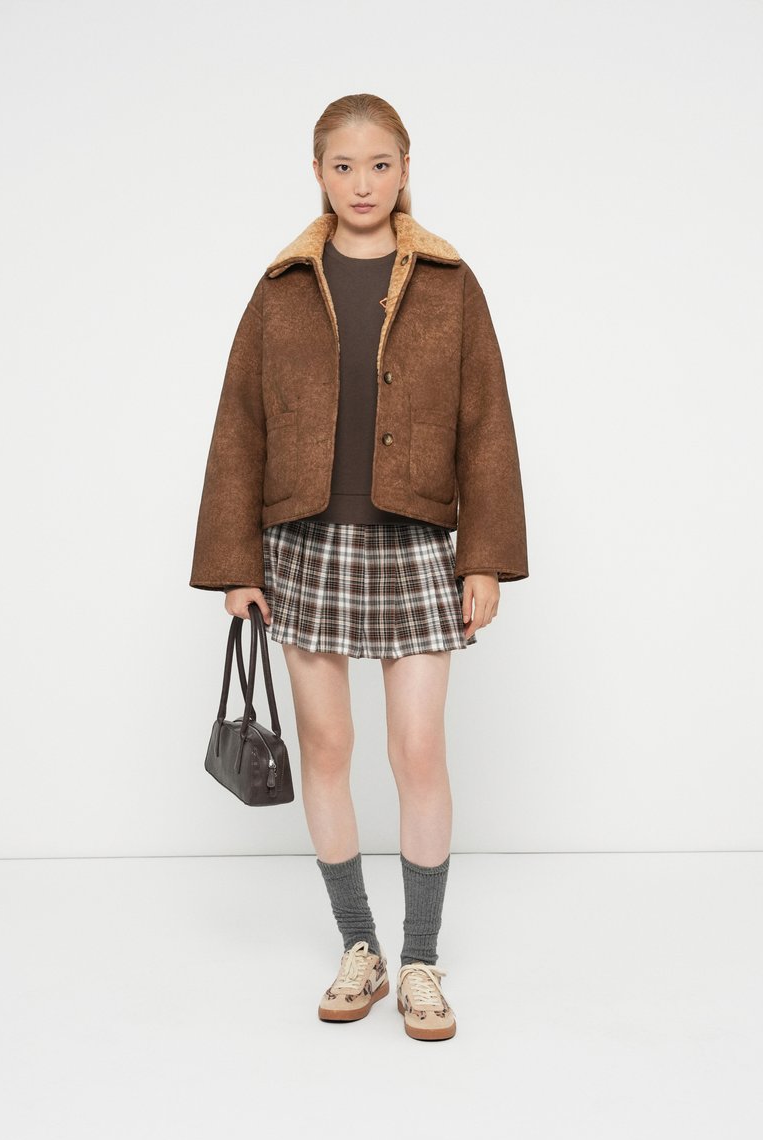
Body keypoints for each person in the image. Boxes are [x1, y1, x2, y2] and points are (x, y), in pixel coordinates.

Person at [189, 93, 529, 1041]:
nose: (363, 183)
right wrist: (236, 562)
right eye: (343, 166)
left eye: (380, 164)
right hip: (302, 544)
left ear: (406, 166)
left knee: (417, 750)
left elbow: (486, 423)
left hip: (418, 543)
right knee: (327, 749)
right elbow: (239, 425)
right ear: (317, 173)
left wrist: (485, 557)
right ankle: (359, 946)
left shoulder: (451, 283)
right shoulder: (281, 287)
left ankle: (420, 957)